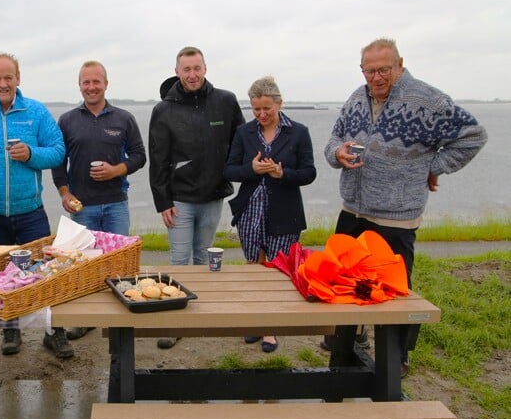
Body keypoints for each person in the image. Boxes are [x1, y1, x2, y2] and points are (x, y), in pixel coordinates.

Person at [322, 38, 487, 377]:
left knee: (393, 292)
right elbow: (333, 141)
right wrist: (337, 154)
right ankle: (344, 352)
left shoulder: (427, 100)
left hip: (395, 217)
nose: (376, 77)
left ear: (399, 64)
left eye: (383, 69)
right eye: (369, 71)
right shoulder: (356, 97)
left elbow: (473, 135)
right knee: (344, 285)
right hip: (352, 210)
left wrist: (434, 166)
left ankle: (394, 363)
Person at [0, 52, 69, 358]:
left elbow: (58, 152)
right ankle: (10, 329)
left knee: (47, 272)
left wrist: (31, 154)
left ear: (18, 78)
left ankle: (54, 331)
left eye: (8, 77)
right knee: (2, 277)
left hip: (31, 211)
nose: (3, 83)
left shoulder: (36, 111)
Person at [148, 46, 245, 349]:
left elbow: (242, 140)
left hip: (213, 195)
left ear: (205, 69)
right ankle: (174, 322)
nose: (192, 74)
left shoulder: (226, 102)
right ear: (177, 71)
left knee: (204, 258)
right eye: (186, 69)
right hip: (179, 199)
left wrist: (241, 171)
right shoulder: (163, 109)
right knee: (179, 260)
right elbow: (158, 159)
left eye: (197, 68)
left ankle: (199, 316)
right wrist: (162, 201)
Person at [53, 60, 147, 340]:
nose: (91, 87)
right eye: (86, 82)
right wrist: (64, 193)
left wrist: (117, 170)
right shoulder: (67, 120)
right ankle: (85, 320)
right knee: (83, 265)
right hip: (83, 207)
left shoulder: (124, 118)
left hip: (116, 203)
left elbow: (139, 156)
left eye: (96, 81)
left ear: (106, 84)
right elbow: (59, 163)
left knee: (118, 264)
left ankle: (118, 321)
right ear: (79, 86)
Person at [223, 76, 317, 353]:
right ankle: (255, 321)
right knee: (254, 269)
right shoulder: (244, 132)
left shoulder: (298, 132)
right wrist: (251, 169)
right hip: (250, 212)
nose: (261, 115)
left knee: (278, 271)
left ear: (279, 103)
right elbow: (229, 171)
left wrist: (282, 173)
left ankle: (271, 328)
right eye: (256, 109)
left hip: (284, 214)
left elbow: (309, 173)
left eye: (267, 109)